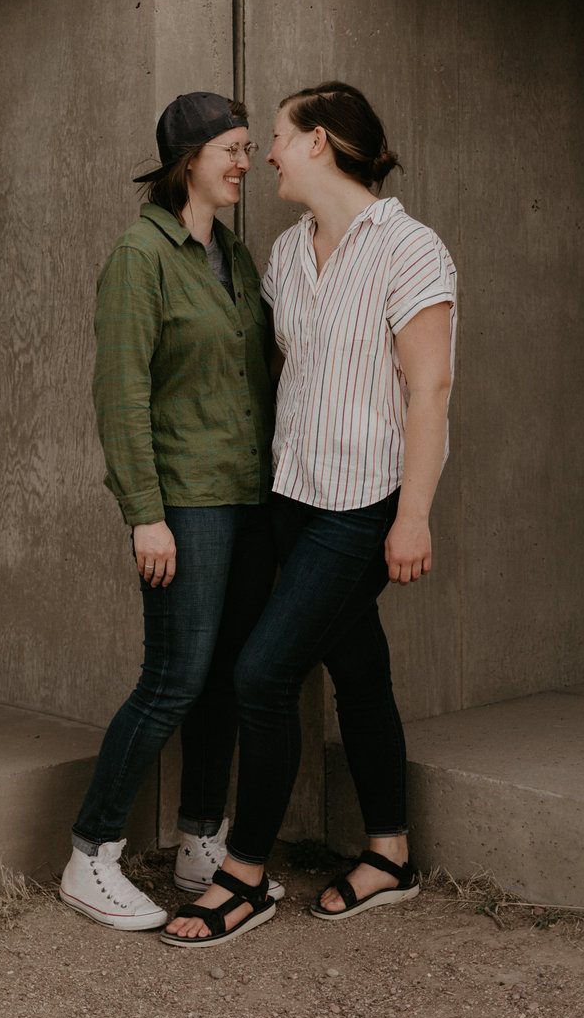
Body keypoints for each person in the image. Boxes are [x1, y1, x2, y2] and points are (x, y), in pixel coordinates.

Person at [163, 80, 456, 947]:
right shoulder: (289, 254)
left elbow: (430, 391)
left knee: (262, 675)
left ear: (320, 142)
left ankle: (245, 876)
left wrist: (414, 516)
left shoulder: (410, 248)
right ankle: (390, 855)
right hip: (291, 498)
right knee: (358, 668)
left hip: (362, 510)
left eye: (280, 138)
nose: (267, 156)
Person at [59, 91, 279, 931]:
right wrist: (145, 514)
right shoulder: (138, 255)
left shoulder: (234, 255)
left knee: (226, 677)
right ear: (187, 158)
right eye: (230, 147)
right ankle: (91, 854)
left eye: (252, 147)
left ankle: (200, 843)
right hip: (184, 503)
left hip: (247, 497)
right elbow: (121, 395)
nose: (245, 162)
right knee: (174, 678)